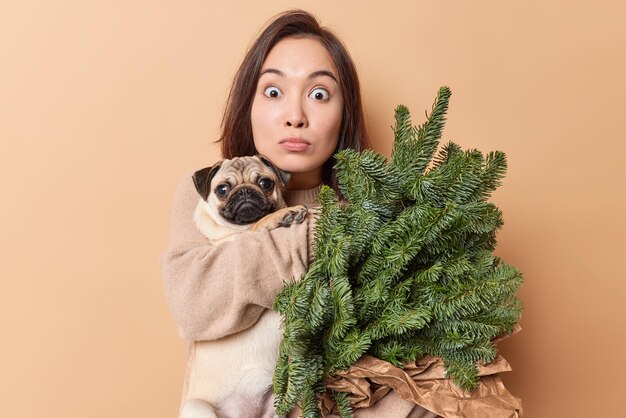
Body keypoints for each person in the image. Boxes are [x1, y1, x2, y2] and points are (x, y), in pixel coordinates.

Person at [162, 9, 438, 418]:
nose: (295, 115)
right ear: (247, 104)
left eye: (319, 94)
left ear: (345, 113)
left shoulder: (379, 212)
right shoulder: (202, 192)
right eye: (273, 92)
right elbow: (195, 307)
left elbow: (412, 358)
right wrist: (313, 233)